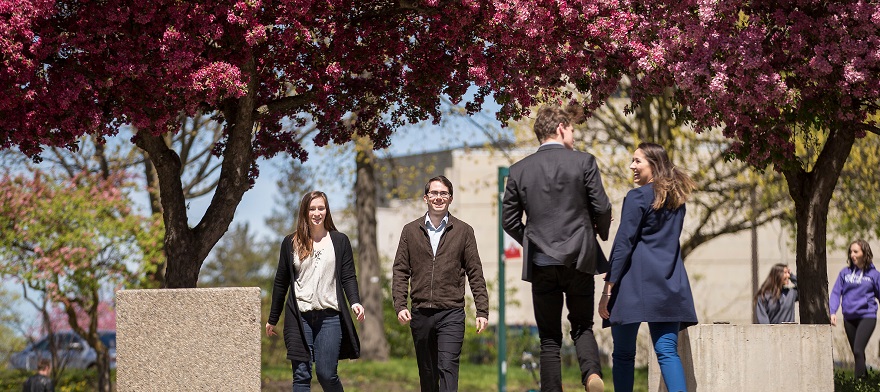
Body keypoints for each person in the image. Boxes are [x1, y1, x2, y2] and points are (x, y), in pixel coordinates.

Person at [502, 104, 612, 392]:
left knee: (549, 338)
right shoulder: (584, 162)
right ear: (561, 127)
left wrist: (532, 238)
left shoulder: (518, 171)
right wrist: (598, 233)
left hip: (541, 261)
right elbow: (602, 206)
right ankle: (590, 374)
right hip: (580, 258)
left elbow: (509, 220)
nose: (574, 136)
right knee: (582, 326)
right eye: (573, 129)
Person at [598, 142, 698, 392]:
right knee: (666, 351)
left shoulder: (637, 197)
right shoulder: (677, 199)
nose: (632, 166)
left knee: (622, 354)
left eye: (637, 161)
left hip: (632, 285)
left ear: (653, 164)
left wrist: (607, 289)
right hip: (668, 282)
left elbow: (623, 243)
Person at [392, 175, 489, 392]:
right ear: (425, 197)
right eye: (434, 193)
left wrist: (482, 310)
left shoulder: (464, 231)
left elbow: (475, 272)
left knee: (447, 366)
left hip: (451, 312)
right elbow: (400, 270)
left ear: (450, 198)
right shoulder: (410, 230)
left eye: (443, 193)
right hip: (420, 313)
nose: (438, 197)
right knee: (428, 373)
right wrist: (400, 305)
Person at [266, 191, 366, 392]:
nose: (317, 213)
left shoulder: (339, 241)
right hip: (298, 316)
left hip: (330, 317)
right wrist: (273, 318)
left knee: (326, 374)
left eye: (321, 208)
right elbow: (281, 282)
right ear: (304, 211)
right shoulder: (290, 243)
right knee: (301, 375)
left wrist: (355, 301)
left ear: (327, 210)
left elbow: (348, 276)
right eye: (312, 208)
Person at [829, 239, 880, 379]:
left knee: (858, 349)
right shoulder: (844, 273)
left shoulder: (874, 275)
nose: (852, 255)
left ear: (865, 253)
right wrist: (832, 311)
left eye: (856, 251)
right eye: (851, 252)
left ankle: (859, 383)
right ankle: (865, 381)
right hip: (849, 318)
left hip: (867, 316)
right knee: (858, 353)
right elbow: (835, 292)